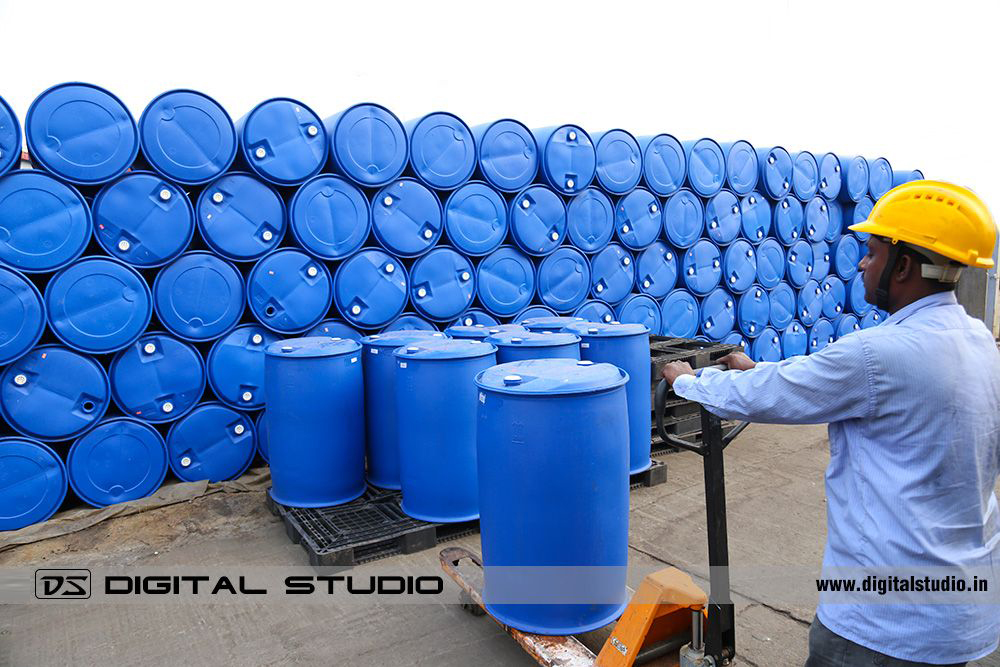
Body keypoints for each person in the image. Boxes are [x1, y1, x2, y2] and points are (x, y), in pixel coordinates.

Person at [661, 181, 1000, 666]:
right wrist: (762, 370)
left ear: (903, 265)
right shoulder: (977, 341)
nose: (862, 263)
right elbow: (818, 378)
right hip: (959, 615)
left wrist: (689, 382)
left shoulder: (879, 354)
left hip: (880, 627)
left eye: (873, 251)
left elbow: (784, 394)